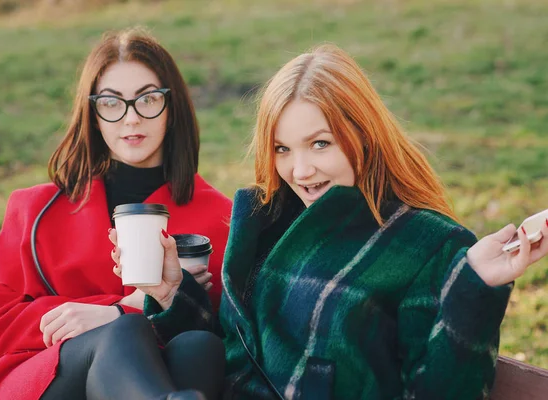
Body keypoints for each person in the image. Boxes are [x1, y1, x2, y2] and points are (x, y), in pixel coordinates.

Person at [112, 44, 548, 399]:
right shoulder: (265, 220)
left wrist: (477, 285)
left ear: (364, 134)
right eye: (282, 149)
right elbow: (227, 352)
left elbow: (442, 391)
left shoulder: (426, 244)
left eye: (319, 144)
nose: (299, 171)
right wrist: (171, 292)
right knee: (113, 345)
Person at [0, 28, 231, 400]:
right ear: (93, 114)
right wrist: (117, 313)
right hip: (47, 378)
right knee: (125, 332)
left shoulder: (221, 218)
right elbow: (0, 325)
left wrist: (140, 309)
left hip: (164, 374)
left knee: (199, 346)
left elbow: (228, 332)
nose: (131, 118)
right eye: (111, 102)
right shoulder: (35, 210)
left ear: (171, 108)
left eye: (148, 99)